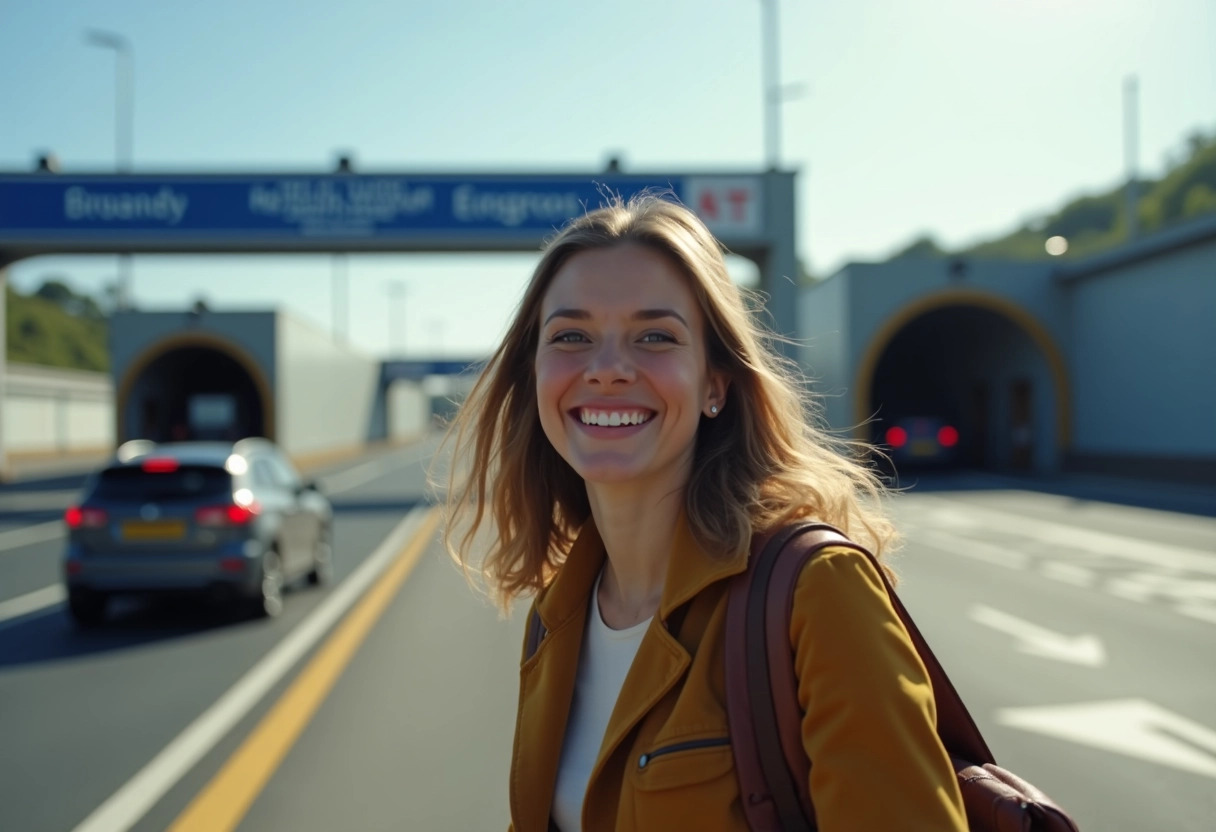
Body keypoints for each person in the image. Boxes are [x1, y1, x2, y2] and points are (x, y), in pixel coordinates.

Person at [438, 194, 967, 831]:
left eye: (655, 337)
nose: (606, 370)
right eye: (571, 337)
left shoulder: (816, 591)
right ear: (535, 375)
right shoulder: (556, 617)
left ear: (715, 383)